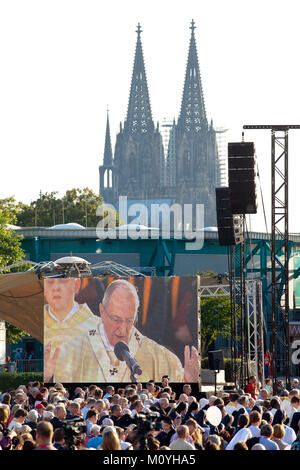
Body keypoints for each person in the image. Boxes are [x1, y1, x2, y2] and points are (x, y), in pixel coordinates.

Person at [76, 280, 199, 382]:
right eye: (115, 319)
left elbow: (159, 314)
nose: (122, 330)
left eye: (129, 320)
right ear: (102, 312)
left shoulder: (161, 357)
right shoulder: (75, 351)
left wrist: (188, 380)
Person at [43, 278, 101, 382]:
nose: (56, 288)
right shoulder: (36, 321)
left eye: (63, 281)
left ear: (77, 285)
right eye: (50, 281)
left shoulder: (99, 327)